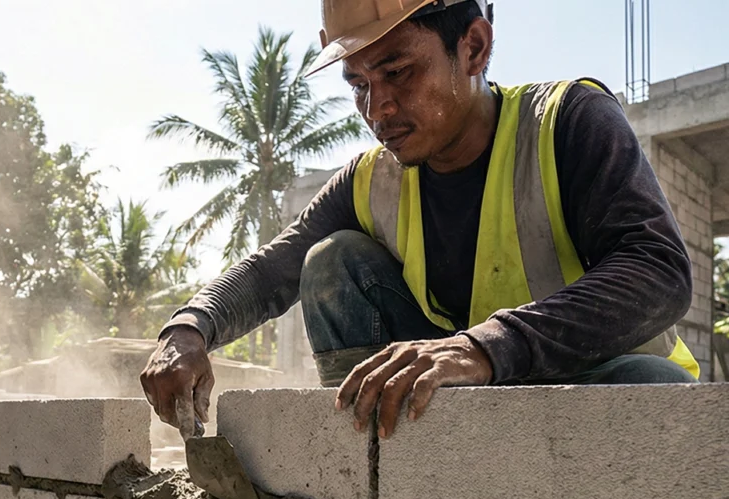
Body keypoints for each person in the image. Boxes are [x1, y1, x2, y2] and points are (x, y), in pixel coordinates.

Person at [140, 0, 700, 442]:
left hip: (578, 388)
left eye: (399, 72)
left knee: (656, 390)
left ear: (474, 47)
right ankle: (375, 475)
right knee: (332, 261)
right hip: (457, 406)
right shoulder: (371, 179)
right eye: (359, 84)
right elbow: (271, 272)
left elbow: (659, 272)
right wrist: (187, 329)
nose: (376, 108)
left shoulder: (567, 123)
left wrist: (486, 347)